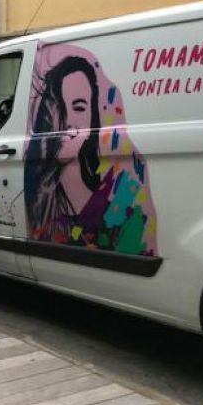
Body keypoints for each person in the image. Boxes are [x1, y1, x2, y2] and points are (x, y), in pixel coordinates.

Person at [24, 47, 157, 255]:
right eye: (59, 107)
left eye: (79, 108)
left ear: (92, 117)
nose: (67, 122)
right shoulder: (41, 188)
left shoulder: (122, 188)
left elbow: (144, 249)